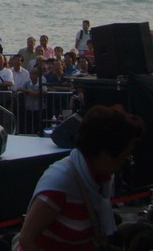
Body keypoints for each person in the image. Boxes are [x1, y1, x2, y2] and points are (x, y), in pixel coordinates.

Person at [18, 105, 145, 251]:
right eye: (124, 157)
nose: (125, 163)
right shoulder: (61, 181)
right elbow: (27, 240)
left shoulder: (101, 180)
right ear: (105, 156)